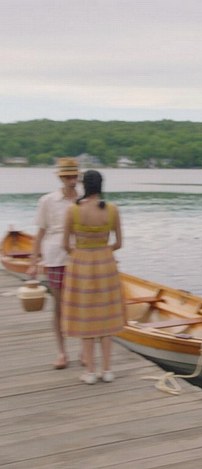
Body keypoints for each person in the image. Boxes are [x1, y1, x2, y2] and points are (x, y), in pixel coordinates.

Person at [61, 170, 126, 384]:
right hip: (106, 263)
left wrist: (81, 252)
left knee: (86, 316)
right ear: (100, 185)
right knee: (106, 315)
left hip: (81, 263)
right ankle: (107, 370)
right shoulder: (112, 209)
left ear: (84, 185)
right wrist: (103, 250)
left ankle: (89, 371)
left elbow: (65, 245)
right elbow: (119, 243)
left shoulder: (73, 210)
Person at [27, 157, 80, 369]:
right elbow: (40, 232)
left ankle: (83, 350)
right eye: (67, 177)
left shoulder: (83, 200)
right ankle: (62, 352)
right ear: (61, 178)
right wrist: (34, 261)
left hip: (80, 257)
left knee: (82, 305)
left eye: (74, 176)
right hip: (55, 257)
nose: (71, 180)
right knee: (59, 306)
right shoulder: (48, 201)